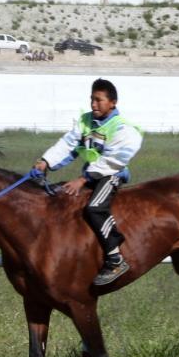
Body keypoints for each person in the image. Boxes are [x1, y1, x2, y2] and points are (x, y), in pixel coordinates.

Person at [33, 78, 143, 285]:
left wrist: (83, 179)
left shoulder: (123, 129)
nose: (93, 104)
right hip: (91, 173)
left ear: (113, 103)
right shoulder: (85, 121)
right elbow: (68, 144)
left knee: (95, 208)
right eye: (92, 99)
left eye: (99, 100)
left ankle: (115, 259)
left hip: (111, 174)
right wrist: (45, 162)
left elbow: (113, 161)